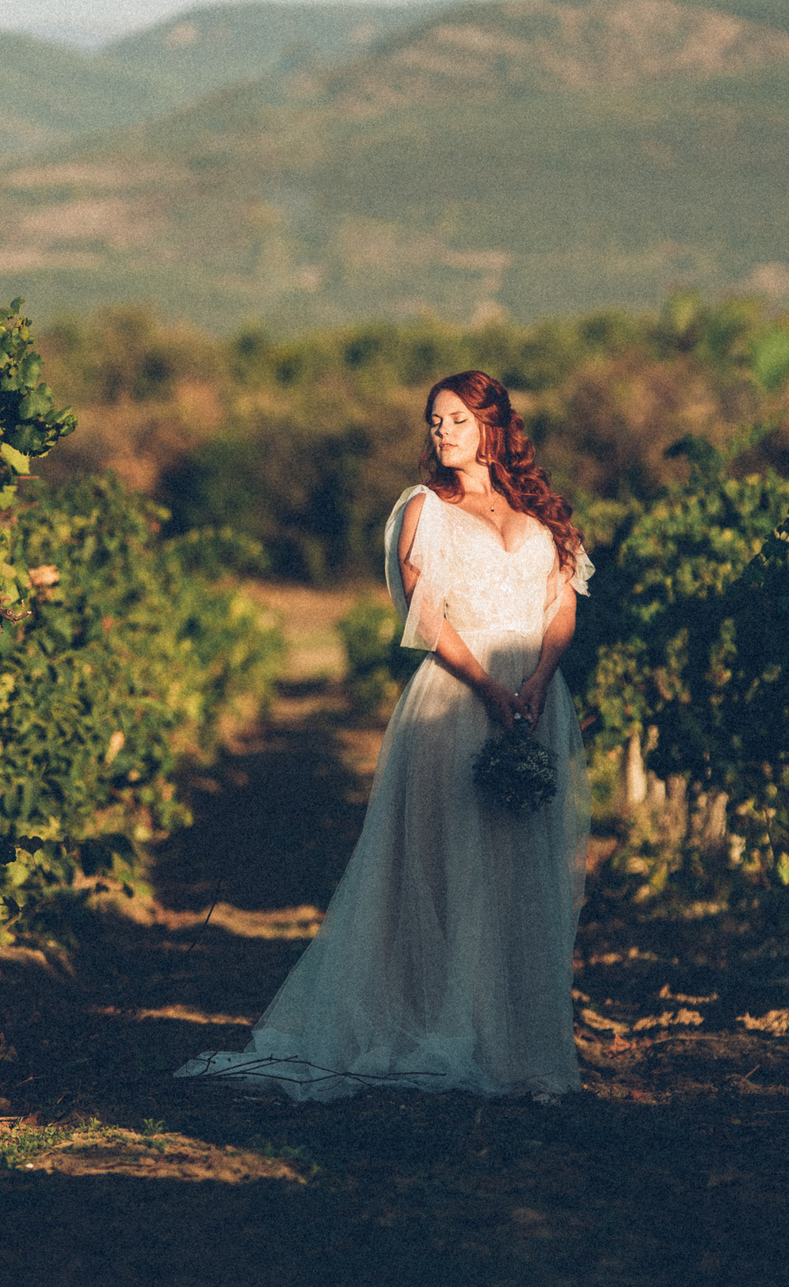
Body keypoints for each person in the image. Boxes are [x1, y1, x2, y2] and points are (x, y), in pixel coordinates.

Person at [178, 370, 591, 1101]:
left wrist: (534, 680)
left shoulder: (540, 509)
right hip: (459, 701)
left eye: (457, 419)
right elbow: (427, 616)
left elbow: (562, 602)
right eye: (435, 421)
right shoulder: (422, 508)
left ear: (492, 426)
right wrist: (492, 688)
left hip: (536, 697)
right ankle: (440, 1023)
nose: (442, 433)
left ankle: (517, 1040)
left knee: (520, 862)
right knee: (449, 858)